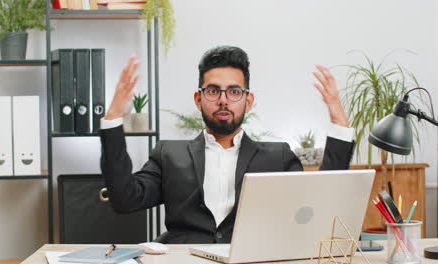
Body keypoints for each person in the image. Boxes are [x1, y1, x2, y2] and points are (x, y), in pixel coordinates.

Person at [100, 46, 354, 244]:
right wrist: (113, 120)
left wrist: (339, 122)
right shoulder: (168, 154)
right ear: (198, 99)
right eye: (213, 91)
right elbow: (124, 200)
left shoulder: (278, 157)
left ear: (248, 100)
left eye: (234, 92)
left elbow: (318, 204)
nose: (223, 100)